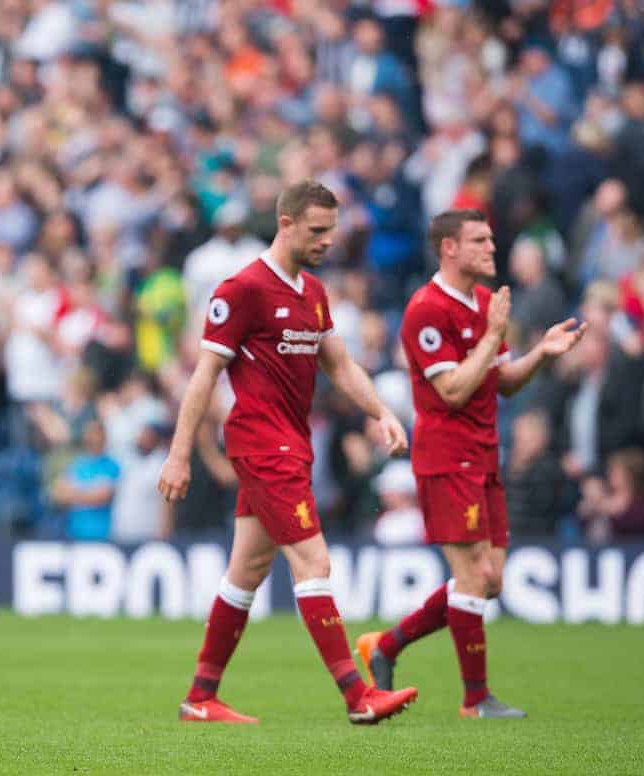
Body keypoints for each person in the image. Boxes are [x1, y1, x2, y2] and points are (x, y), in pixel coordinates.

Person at [158, 180, 418, 725]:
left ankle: (201, 697)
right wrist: (179, 454)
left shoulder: (313, 293)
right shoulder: (242, 289)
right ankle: (358, 696)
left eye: (332, 231)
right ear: (287, 224)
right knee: (313, 561)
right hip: (260, 441)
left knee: (247, 569)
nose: (327, 241)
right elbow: (203, 376)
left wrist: (382, 413)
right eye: (318, 231)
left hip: (291, 441)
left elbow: (341, 365)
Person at [356, 209, 586, 719]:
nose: (491, 248)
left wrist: (543, 353)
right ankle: (475, 698)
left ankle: (387, 646)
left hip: (484, 454)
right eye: (479, 240)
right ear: (449, 249)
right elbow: (454, 390)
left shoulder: (484, 303)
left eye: (491, 238)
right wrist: (491, 336)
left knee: (489, 581)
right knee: (472, 575)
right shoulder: (424, 310)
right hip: (445, 456)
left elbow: (502, 381)